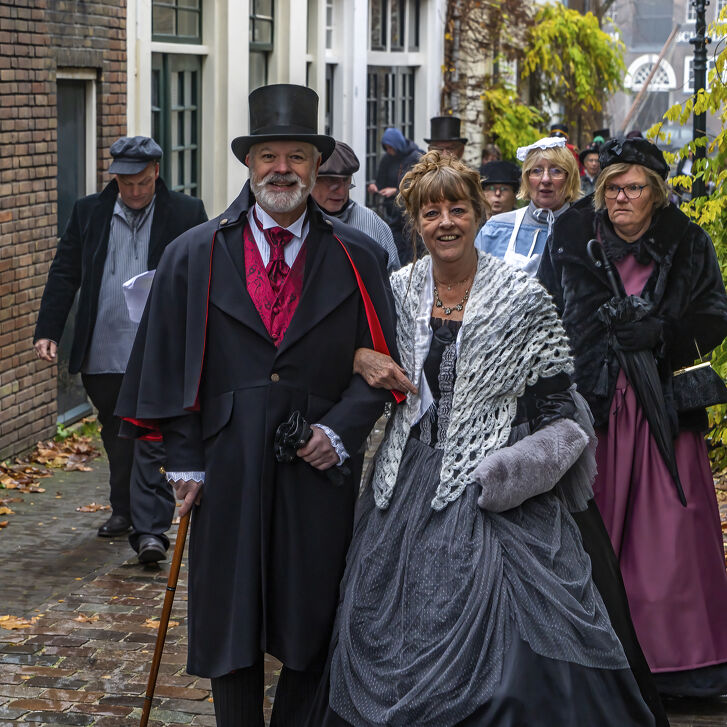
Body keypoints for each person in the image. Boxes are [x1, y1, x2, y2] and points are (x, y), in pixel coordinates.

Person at [307, 152, 657, 726]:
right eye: (431, 212)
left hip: (500, 490)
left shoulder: (522, 298)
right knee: (375, 619)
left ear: (477, 216)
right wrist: (361, 353)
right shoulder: (395, 291)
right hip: (403, 483)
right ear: (415, 223)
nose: (445, 222)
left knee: (523, 646)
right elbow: (334, 354)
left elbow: (561, 418)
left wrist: (511, 473)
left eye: (457, 209)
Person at [116, 84, 398, 727]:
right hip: (226, 465)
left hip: (317, 467)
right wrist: (184, 461)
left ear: (315, 166)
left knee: (311, 618)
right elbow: (165, 366)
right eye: (269, 154)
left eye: (297, 156)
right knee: (231, 619)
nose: (282, 169)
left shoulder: (360, 258)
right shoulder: (194, 254)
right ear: (248, 163)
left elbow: (382, 367)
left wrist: (343, 428)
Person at [539, 135, 727, 698]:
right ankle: (592, 660)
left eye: (634, 188)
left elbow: (716, 315)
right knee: (587, 525)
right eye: (612, 187)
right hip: (591, 404)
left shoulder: (688, 242)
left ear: (657, 194)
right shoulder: (572, 235)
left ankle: (680, 666)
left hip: (661, 411)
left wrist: (664, 335)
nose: (621, 198)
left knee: (671, 530)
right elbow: (544, 309)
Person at [33, 136, 207, 562]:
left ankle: (150, 530)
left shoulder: (187, 213)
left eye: (142, 183)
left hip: (157, 350)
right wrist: (48, 330)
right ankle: (124, 510)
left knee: (153, 435)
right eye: (126, 183)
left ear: (156, 175)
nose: (134, 192)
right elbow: (64, 272)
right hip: (104, 349)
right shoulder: (89, 212)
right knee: (116, 434)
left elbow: (203, 276)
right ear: (115, 178)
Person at [474, 136, 580, 275]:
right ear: (526, 178)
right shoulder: (495, 229)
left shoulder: (584, 232)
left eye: (556, 171)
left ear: (569, 178)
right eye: (537, 170)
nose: (546, 179)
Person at [311, 140, 400, 271]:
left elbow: (394, 281)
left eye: (346, 180)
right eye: (332, 181)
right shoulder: (295, 225)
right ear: (311, 180)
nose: (341, 191)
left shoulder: (373, 224)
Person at [367, 127, 423, 265]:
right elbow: (381, 180)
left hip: (409, 214)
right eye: (386, 148)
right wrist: (376, 188)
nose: (389, 151)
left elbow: (420, 186)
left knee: (411, 249)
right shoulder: (387, 159)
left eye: (391, 147)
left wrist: (396, 192)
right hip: (392, 214)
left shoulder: (416, 157)